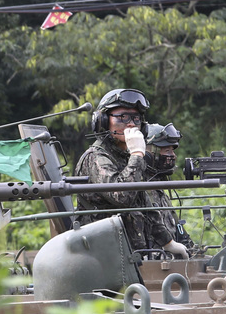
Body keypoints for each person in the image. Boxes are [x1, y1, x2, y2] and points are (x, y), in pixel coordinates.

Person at [74, 88, 187, 258]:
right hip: (101, 255)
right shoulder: (96, 157)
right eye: (123, 117)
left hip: (130, 253)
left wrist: (168, 242)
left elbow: (144, 203)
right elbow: (123, 196)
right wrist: (137, 155)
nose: (131, 124)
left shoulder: (125, 156)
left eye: (136, 118)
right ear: (103, 121)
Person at [143, 123, 194, 251]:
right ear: (148, 154)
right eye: (167, 151)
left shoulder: (158, 187)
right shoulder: (139, 186)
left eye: (173, 150)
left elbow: (178, 229)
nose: (173, 156)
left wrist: (190, 248)